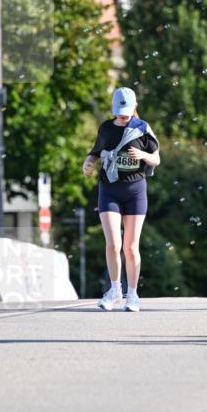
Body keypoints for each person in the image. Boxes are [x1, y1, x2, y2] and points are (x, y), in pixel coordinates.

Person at [83, 86, 160, 312]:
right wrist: (87, 163)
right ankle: (115, 289)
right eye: (119, 111)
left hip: (135, 191)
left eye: (126, 111)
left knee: (131, 247)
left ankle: (133, 294)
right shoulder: (106, 128)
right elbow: (95, 151)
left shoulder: (142, 128)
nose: (122, 116)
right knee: (113, 243)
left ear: (135, 107)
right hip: (109, 190)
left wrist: (144, 155)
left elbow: (156, 159)